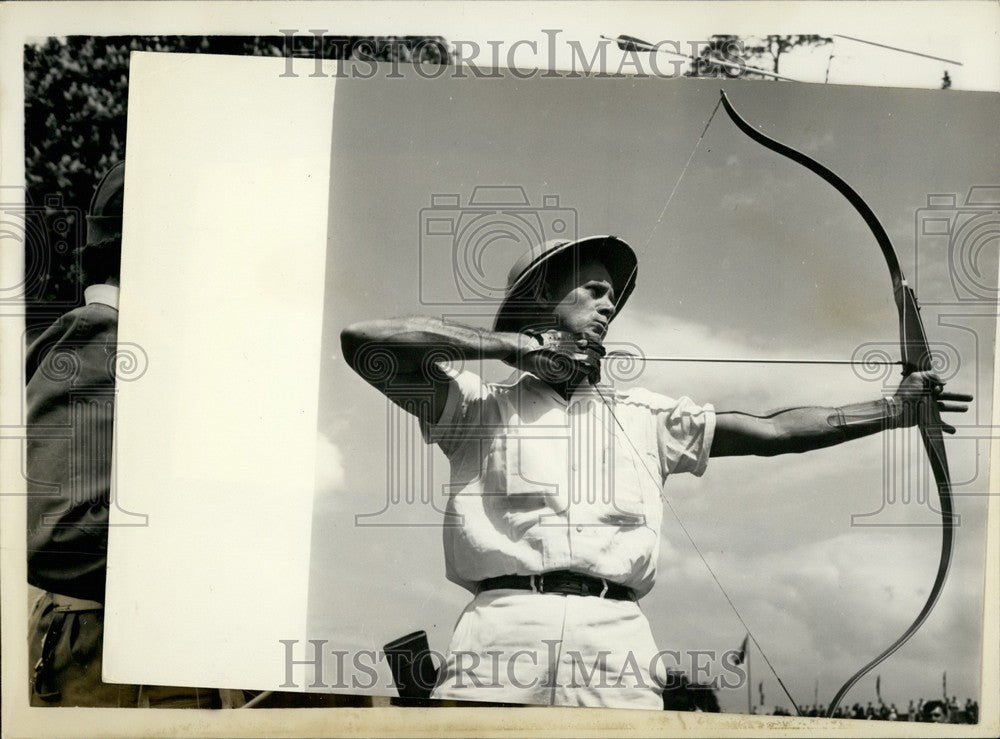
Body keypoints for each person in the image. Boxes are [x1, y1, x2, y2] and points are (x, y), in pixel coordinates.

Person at [341, 235, 971, 709]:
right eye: (592, 287)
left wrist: (892, 410)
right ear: (539, 301)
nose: (610, 299)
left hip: (616, 640)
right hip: (501, 632)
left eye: (612, 293)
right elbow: (362, 339)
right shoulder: (474, 408)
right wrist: (513, 348)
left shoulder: (648, 416)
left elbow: (776, 432)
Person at [25, 162, 234, 708]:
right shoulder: (102, 336)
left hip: (143, 658)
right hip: (103, 666)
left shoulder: (138, 346)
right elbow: (58, 532)